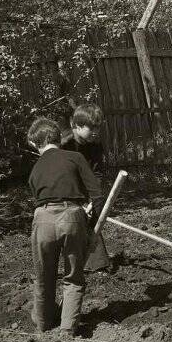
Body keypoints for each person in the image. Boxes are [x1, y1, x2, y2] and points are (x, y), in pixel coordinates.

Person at [27, 116, 104, 335]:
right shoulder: (75, 157)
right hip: (71, 216)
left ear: (35, 143)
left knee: (43, 276)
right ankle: (67, 330)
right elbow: (97, 193)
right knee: (72, 276)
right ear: (59, 138)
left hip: (42, 219)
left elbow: (37, 197)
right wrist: (91, 220)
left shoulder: (35, 169)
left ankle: (43, 325)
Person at [61, 102, 112, 272]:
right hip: (64, 189)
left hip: (86, 186)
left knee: (95, 212)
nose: (96, 132)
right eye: (91, 128)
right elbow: (60, 175)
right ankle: (73, 262)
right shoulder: (64, 145)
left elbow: (96, 174)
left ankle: (97, 262)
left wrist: (91, 200)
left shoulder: (95, 145)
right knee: (72, 221)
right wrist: (78, 201)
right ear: (77, 125)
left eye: (98, 128)